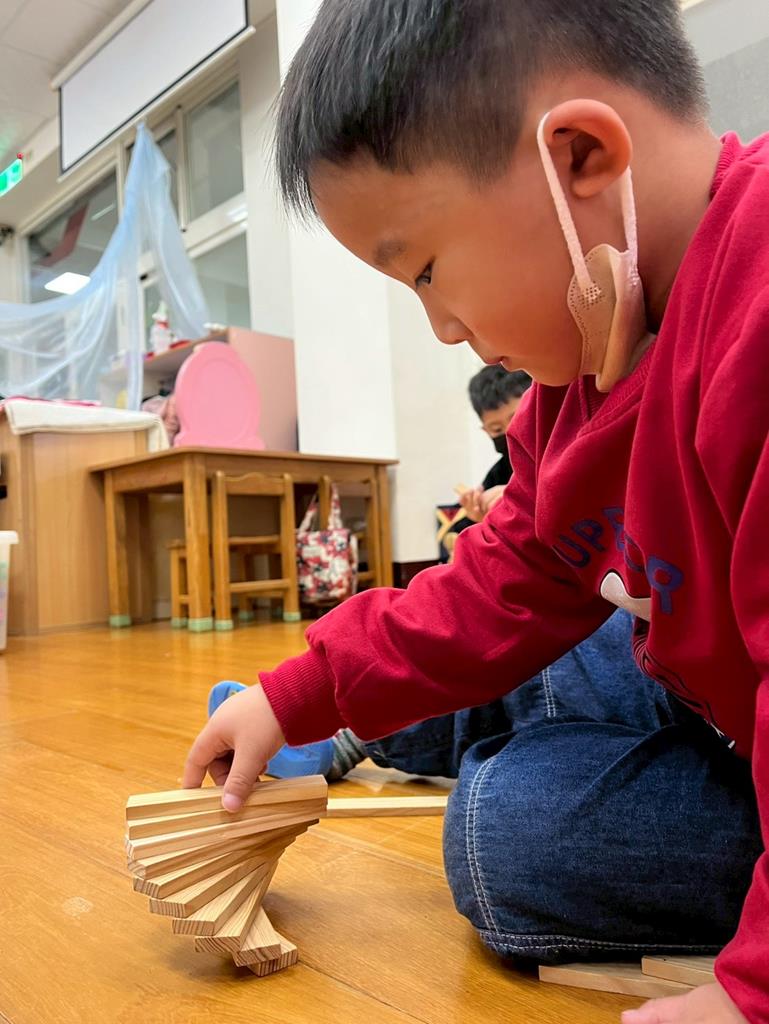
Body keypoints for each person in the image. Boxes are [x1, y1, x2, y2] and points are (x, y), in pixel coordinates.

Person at [182, 3, 769, 1021]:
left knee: (507, 833)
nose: (443, 328)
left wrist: (749, 988)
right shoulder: (569, 391)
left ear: (578, 155)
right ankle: (386, 732)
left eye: (423, 271)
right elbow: (504, 578)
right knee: (546, 650)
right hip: (701, 680)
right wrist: (298, 692)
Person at [456, 366, 532, 524]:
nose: (510, 432)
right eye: (497, 429)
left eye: (517, 419)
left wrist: (518, 498)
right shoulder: (499, 473)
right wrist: (484, 518)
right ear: (486, 431)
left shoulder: (566, 453)